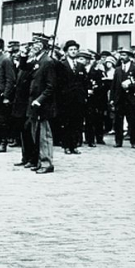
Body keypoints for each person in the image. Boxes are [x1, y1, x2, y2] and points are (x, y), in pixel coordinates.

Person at [26, 35, 57, 174]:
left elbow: (51, 86)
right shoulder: (37, 61)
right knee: (36, 134)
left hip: (42, 104)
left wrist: (39, 99)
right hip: (34, 103)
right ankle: (40, 160)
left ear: (43, 46)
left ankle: (47, 162)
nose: (33, 46)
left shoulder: (47, 62)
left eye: (36, 43)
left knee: (44, 135)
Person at [57, 40, 88, 154]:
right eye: (71, 50)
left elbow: (84, 82)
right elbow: (59, 83)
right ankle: (66, 145)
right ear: (66, 52)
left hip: (78, 99)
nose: (73, 52)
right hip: (66, 99)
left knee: (77, 123)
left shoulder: (80, 66)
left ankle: (74, 145)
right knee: (66, 122)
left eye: (75, 50)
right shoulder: (62, 65)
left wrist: (84, 95)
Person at [110, 48, 135, 148]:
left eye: (124, 55)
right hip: (119, 99)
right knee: (118, 122)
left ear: (129, 56)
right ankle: (118, 141)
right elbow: (114, 86)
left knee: (132, 120)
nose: (122, 57)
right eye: (121, 55)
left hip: (131, 99)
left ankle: (133, 141)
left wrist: (129, 86)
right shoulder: (118, 69)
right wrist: (112, 99)